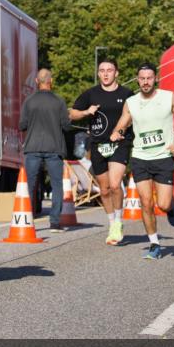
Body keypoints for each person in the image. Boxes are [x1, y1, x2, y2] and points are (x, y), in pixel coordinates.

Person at [110, 63, 174, 260]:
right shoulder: (131, 102)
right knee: (146, 203)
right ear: (138, 80)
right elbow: (123, 122)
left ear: (155, 79)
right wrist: (117, 133)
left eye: (149, 78)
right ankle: (154, 243)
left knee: (162, 205)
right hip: (140, 157)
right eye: (142, 78)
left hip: (163, 157)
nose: (145, 82)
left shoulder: (168, 97)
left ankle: (171, 206)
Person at [69, 58, 133, 245]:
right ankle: (112, 223)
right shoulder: (90, 94)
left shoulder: (126, 93)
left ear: (117, 73)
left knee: (115, 185)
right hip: (97, 145)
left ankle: (118, 222)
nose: (105, 73)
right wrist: (86, 112)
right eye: (102, 70)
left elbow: (132, 116)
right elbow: (72, 113)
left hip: (120, 143)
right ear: (98, 74)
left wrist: (120, 130)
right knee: (104, 190)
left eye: (110, 70)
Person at [19, 68, 72, 232]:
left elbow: (22, 125)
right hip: (54, 147)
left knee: (29, 185)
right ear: (51, 81)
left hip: (33, 147)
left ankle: (27, 220)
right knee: (57, 185)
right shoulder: (59, 101)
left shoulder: (29, 101)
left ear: (36, 81)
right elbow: (66, 126)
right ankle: (55, 223)